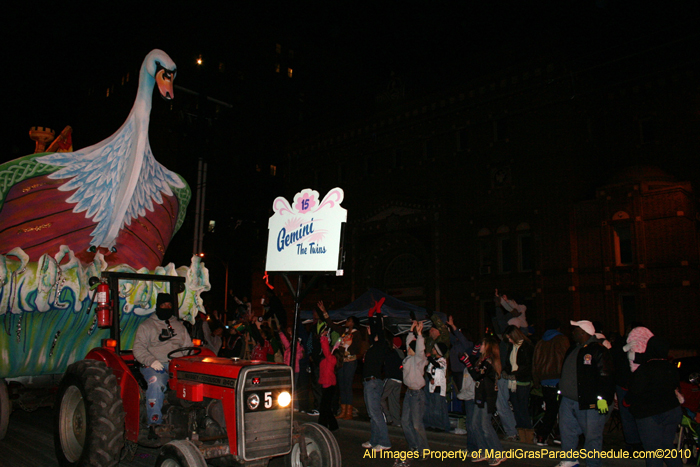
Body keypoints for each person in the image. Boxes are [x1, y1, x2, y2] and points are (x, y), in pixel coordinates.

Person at [554, 320, 614, 467]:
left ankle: (593, 463)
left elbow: (606, 376)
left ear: (583, 332)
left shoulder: (598, 350)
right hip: (568, 399)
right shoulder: (574, 348)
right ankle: (569, 459)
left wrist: (603, 398)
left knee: (592, 435)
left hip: (589, 401)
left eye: (575, 330)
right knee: (567, 430)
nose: (572, 333)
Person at [133, 293, 192, 441]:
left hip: (177, 365)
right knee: (155, 381)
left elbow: (188, 347)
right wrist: (151, 361)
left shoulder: (179, 326)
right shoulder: (147, 326)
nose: (166, 308)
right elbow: (138, 349)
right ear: (158, 306)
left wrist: (188, 361)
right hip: (155, 365)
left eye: (169, 306)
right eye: (163, 305)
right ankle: (154, 423)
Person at [624, 336, 683, 467]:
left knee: (653, 451)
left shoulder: (645, 369)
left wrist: (626, 401)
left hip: (650, 413)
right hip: (672, 410)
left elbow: (635, 391)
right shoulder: (671, 368)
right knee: (667, 447)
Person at [318, 301, 363, 420]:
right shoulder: (343, 332)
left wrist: (346, 349)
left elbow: (357, 348)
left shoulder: (357, 334)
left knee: (347, 386)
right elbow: (331, 325)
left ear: (353, 322)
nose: (346, 322)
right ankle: (343, 411)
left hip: (350, 362)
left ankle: (349, 411)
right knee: (342, 386)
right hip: (341, 362)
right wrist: (324, 312)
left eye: (348, 320)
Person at [394, 321, 429, 467]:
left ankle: (424, 450)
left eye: (410, 348)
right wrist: (411, 330)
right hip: (409, 393)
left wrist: (419, 334)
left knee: (416, 424)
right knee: (405, 422)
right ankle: (414, 446)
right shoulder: (408, 358)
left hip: (417, 394)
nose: (407, 348)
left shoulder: (418, 360)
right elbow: (410, 342)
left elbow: (420, 349)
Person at [467, 336, 506, 466]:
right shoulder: (482, 360)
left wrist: (467, 364)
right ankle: (484, 451)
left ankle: (499, 453)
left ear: (488, 346)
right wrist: (471, 357)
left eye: (482, 344)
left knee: (485, 426)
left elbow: (477, 375)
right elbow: (474, 365)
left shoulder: (488, 362)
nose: (480, 346)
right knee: (474, 424)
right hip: (480, 395)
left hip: (487, 397)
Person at [532, 318, 570, 446]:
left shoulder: (541, 342)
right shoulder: (562, 340)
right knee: (563, 410)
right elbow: (567, 359)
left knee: (551, 409)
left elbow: (535, 362)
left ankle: (542, 435)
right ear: (558, 328)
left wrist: (537, 380)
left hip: (545, 381)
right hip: (559, 379)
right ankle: (559, 435)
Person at [361, 298, 392, 451]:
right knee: (371, 413)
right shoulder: (373, 345)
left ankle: (385, 442)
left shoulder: (381, 345)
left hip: (373, 382)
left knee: (375, 413)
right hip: (368, 382)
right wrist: (370, 314)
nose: (371, 332)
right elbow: (373, 329)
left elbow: (378, 328)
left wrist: (377, 312)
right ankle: (374, 440)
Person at [502, 325, 534, 432]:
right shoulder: (512, 346)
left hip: (522, 381)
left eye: (510, 338)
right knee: (516, 408)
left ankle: (527, 432)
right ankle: (521, 431)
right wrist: (505, 371)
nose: (509, 340)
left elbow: (527, 365)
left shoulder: (526, 346)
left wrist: (515, 374)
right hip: (513, 381)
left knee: (522, 408)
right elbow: (508, 363)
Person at [447, 315, 473, 435]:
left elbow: (460, 337)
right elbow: (452, 337)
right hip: (456, 373)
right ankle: (464, 424)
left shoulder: (467, 344)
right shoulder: (456, 344)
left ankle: (468, 425)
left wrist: (453, 326)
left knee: (465, 398)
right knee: (461, 398)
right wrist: (447, 328)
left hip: (463, 374)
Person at [318, 329, 343, 431]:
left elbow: (325, 350)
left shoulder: (331, 359)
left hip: (328, 385)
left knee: (324, 407)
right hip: (326, 384)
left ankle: (323, 425)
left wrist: (323, 338)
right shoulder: (329, 360)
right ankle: (332, 425)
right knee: (326, 407)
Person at [424, 342, 450, 432]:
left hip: (439, 387)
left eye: (434, 349)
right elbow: (428, 371)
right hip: (432, 387)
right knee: (432, 406)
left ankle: (440, 426)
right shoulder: (433, 360)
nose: (432, 350)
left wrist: (430, 358)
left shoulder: (442, 360)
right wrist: (430, 378)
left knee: (438, 407)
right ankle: (432, 424)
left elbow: (438, 366)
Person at [382, 335, 404, 427]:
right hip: (399, 380)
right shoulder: (401, 354)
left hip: (391, 378)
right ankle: (397, 421)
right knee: (394, 401)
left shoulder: (390, 353)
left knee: (380, 398)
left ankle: (388, 417)